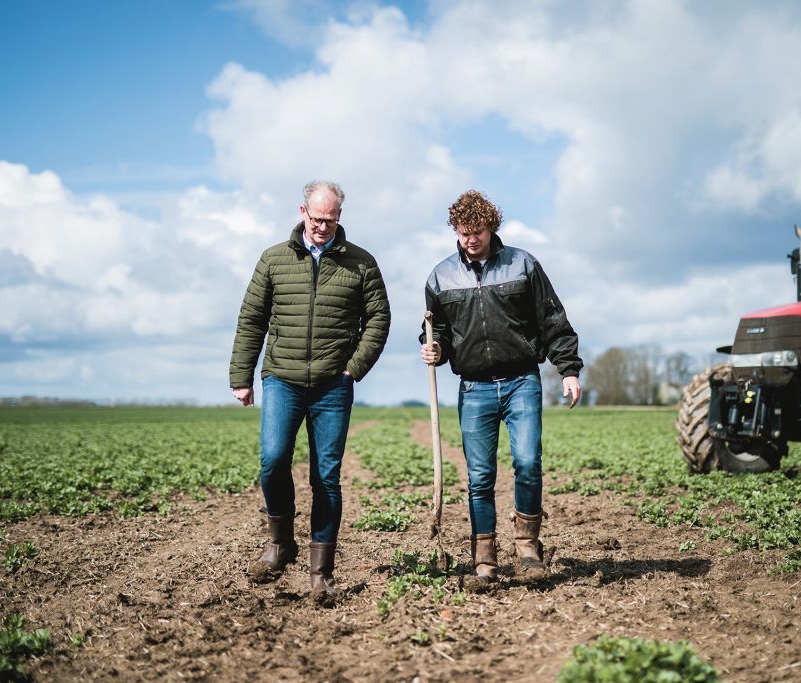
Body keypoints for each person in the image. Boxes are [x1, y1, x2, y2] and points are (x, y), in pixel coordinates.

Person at [230, 180, 390, 604]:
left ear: (340, 218)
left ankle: (321, 573)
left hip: (332, 385)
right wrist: (241, 376)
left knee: (326, 477)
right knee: (273, 459)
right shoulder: (273, 259)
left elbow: (378, 320)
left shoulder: (361, 263)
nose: (322, 226)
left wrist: (353, 368)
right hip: (281, 377)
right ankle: (281, 543)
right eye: (316, 218)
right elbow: (251, 319)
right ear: (302, 212)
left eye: (331, 219)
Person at [420, 190, 582, 587]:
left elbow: (552, 319)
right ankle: (484, 558)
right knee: (479, 478)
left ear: (491, 227)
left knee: (527, 463)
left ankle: (528, 547)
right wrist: (434, 348)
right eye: (463, 232)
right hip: (473, 388)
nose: (470, 239)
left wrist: (568, 369)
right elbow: (437, 330)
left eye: (476, 230)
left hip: (521, 381)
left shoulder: (523, 265)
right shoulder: (440, 277)